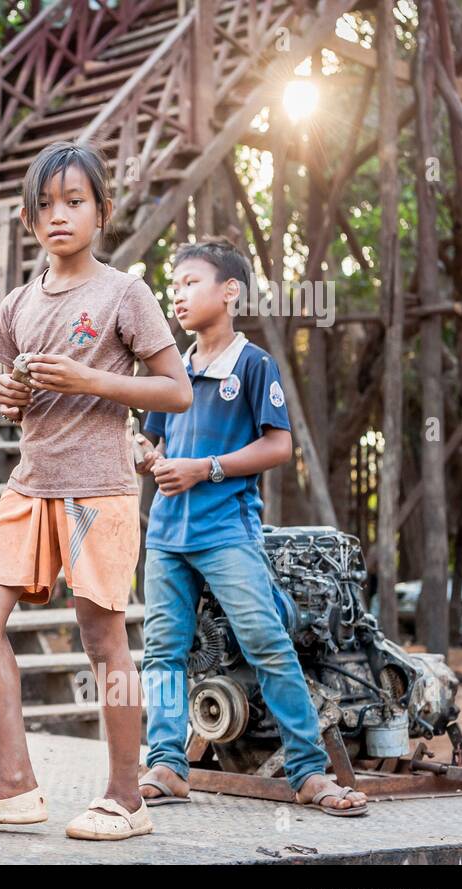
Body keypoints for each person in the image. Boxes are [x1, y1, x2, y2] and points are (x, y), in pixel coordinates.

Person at [0, 142, 191, 839]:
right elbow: (5, 391)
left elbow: (177, 390)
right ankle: (13, 784)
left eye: (74, 201)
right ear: (28, 218)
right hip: (31, 483)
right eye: (45, 204)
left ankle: (125, 797)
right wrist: (11, 394)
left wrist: (93, 380)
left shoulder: (124, 293)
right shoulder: (14, 303)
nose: (59, 215)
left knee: (104, 637)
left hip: (97, 488)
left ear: (101, 212)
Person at [136, 237, 367, 816]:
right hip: (165, 534)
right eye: (175, 284)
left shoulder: (254, 364)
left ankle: (309, 773)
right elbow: (152, 437)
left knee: (267, 643)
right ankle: (166, 765)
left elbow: (279, 446)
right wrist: (143, 453)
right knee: (163, 651)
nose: (178, 294)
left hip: (227, 532)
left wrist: (205, 468)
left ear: (229, 290)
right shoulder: (173, 369)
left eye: (191, 282)